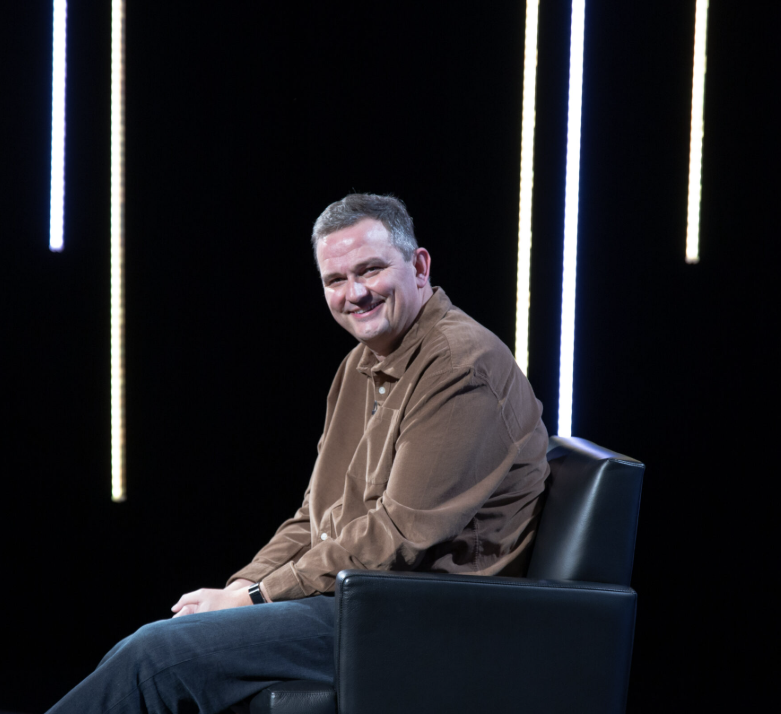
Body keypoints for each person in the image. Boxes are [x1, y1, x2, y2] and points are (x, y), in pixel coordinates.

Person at [47, 194, 549, 714]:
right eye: (335, 281)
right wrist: (240, 586)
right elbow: (313, 517)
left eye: (371, 270)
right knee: (156, 645)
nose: (355, 293)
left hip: (419, 616)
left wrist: (254, 601)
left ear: (419, 266)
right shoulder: (359, 365)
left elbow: (395, 537)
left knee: (156, 657)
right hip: (358, 597)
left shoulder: (460, 367)